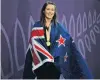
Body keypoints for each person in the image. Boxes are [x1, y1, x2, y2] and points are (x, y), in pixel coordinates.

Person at [23, 1, 93, 79]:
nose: (50, 12)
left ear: (54, 12)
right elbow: (32, 48)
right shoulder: (36, 27)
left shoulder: (59, 27)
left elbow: (69, 44)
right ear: (44, 11)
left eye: (52, 10)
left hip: (54, 67)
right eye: (48, 9)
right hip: (41, 66)